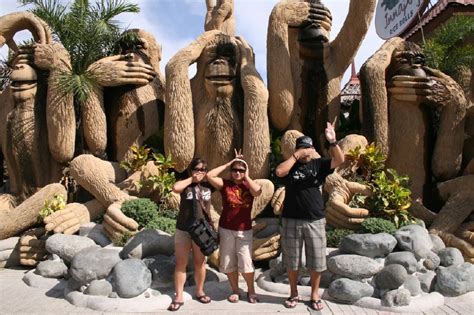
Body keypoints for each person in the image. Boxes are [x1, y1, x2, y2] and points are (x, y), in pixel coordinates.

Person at [275, 122, 344, 311]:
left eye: (308, 147)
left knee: (317, 260)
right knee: (291, 259)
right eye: (302, 147)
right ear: (297, 149)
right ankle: (293, 293)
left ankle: (314, 295)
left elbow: (339, 160)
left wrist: (332, 141)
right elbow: (279, 172)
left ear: (313, 149)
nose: (305, 151)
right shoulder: (291, 166)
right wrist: (296, 155)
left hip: (315, 219)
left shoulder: (319, 164)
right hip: (291, 219)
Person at [206, 150, 262, 304]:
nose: (237, 173)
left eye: (241, 170)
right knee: (228, 261)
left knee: (245, 261)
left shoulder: (248, 185)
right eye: (235, 170)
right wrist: (228, 163)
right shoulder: (225, 184)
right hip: (226, 229)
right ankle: (235, 291)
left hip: (244, 230)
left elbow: (258, 192)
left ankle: (251, 291)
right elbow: (210, 175)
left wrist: (248, 175)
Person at [168, 158, 214, 312]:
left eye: (203, 169)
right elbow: (175, 188)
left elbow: (218, 174)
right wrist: (191, 178)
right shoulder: (186, 184)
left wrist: (230, 164)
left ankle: (200, 291)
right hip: (184, 229)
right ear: (191, 170)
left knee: (199, 262)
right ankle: (179, 296)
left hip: (201, 231)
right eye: (196, 169)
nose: (199, 172)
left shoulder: (208, 186)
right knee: (181, 263)